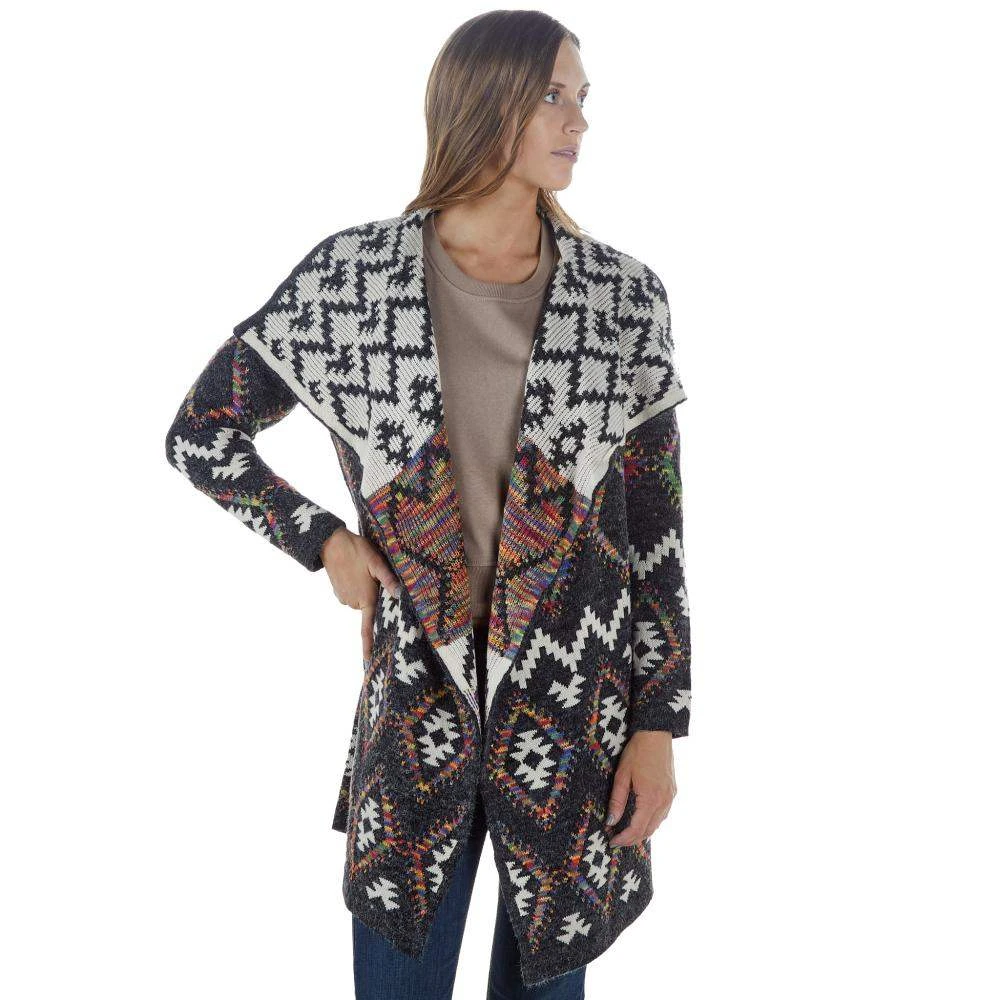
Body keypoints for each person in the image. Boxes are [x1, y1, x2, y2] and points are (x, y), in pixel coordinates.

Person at [165, 11, 689, 1000]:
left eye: (583, 99)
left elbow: (657, 532)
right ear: (485, 102)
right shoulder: (354, 279)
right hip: (415, 723)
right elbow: (202, 432)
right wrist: (324, 542)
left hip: (575, 727)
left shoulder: (624, 300)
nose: (578, 121)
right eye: (553, 96)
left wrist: (658, 724)